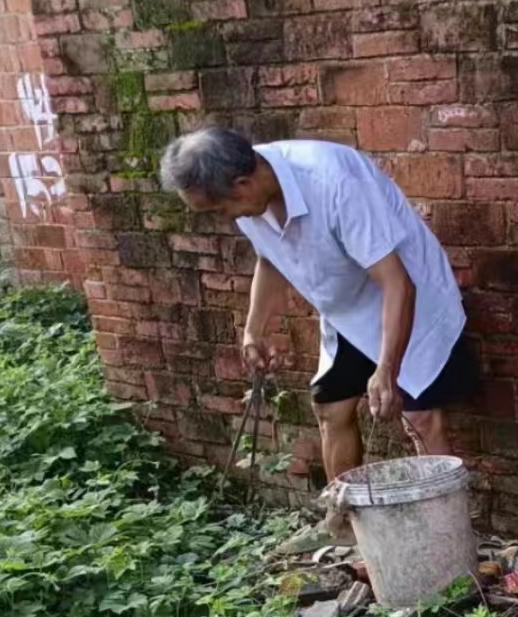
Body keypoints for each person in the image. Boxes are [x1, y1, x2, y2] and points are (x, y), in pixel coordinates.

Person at [159, 127, 476, 512]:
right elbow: (269, 258)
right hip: (346, 308)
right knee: (331, 408)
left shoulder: (333, 181)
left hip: (407, 296)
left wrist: (387, 370)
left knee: (421, 418)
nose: (225, 220)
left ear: (242, 183)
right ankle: (345, 523)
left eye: (219, 210)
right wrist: (254, 329)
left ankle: (444, 527)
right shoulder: (247, 190)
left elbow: (397, 283)